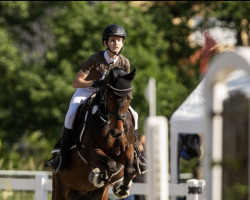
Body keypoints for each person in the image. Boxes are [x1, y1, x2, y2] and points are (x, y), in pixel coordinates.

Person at [45, 24, 145, 174]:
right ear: (105, 42)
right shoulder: (95, 59)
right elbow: (75, 82)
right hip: (86, 90)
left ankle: (136, 155)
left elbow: (124, 86)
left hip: (109, 96)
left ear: (123, 43)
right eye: (112, 40)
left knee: (134, 115)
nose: (116, 43)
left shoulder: (124, 62)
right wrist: (94, 83)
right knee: (71, 113)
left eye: (119, 40)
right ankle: (62, 155)